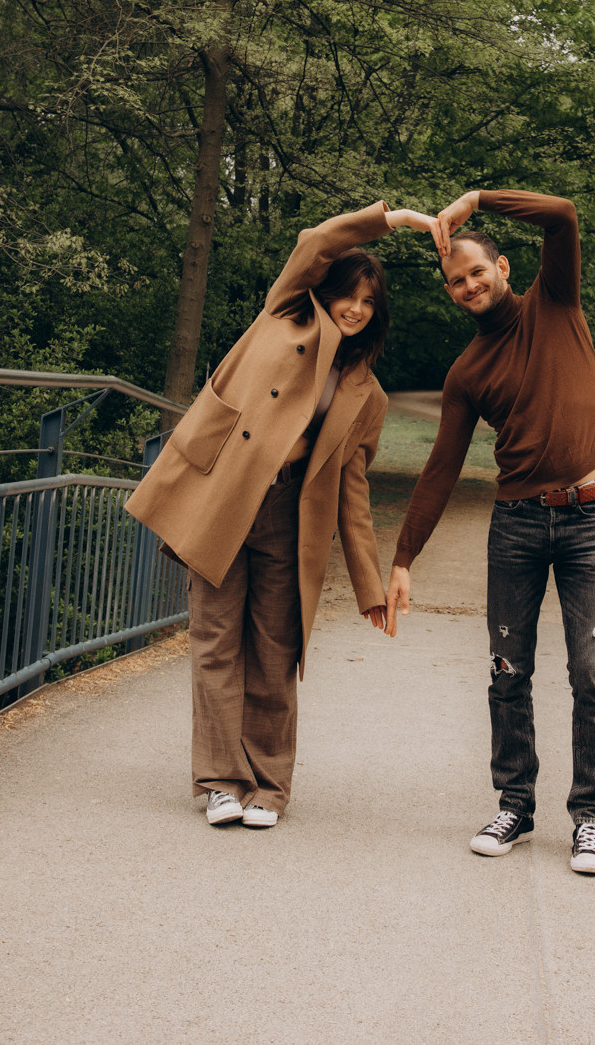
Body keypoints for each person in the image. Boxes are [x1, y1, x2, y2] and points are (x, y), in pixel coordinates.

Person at [125, 201, 434, 827]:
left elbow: (352, 492)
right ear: (325, 291)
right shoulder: (285, 312)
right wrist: (395, 219)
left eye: (368, 302)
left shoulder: (366, 395)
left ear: (378, 315)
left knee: (274, 650)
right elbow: (317, 238)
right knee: (214, 642)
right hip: (222, 498)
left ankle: (268, 785)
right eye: (348, 294)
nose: (354, 308)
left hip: (289, 517)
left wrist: (370, 585)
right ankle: (220, 781)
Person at [386, 189, 595, 875]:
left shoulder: (557, 303)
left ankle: (591, 819)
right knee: (507, 672)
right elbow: (439, 471)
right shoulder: (467, 372)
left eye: (476, 272)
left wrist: (476, 200)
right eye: (455, 282)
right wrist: (402, 558)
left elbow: (564, 214)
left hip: (589, 522)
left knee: (592, 671)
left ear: (505, 268)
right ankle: (515, 803)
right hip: (516, 526)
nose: (466, 286)